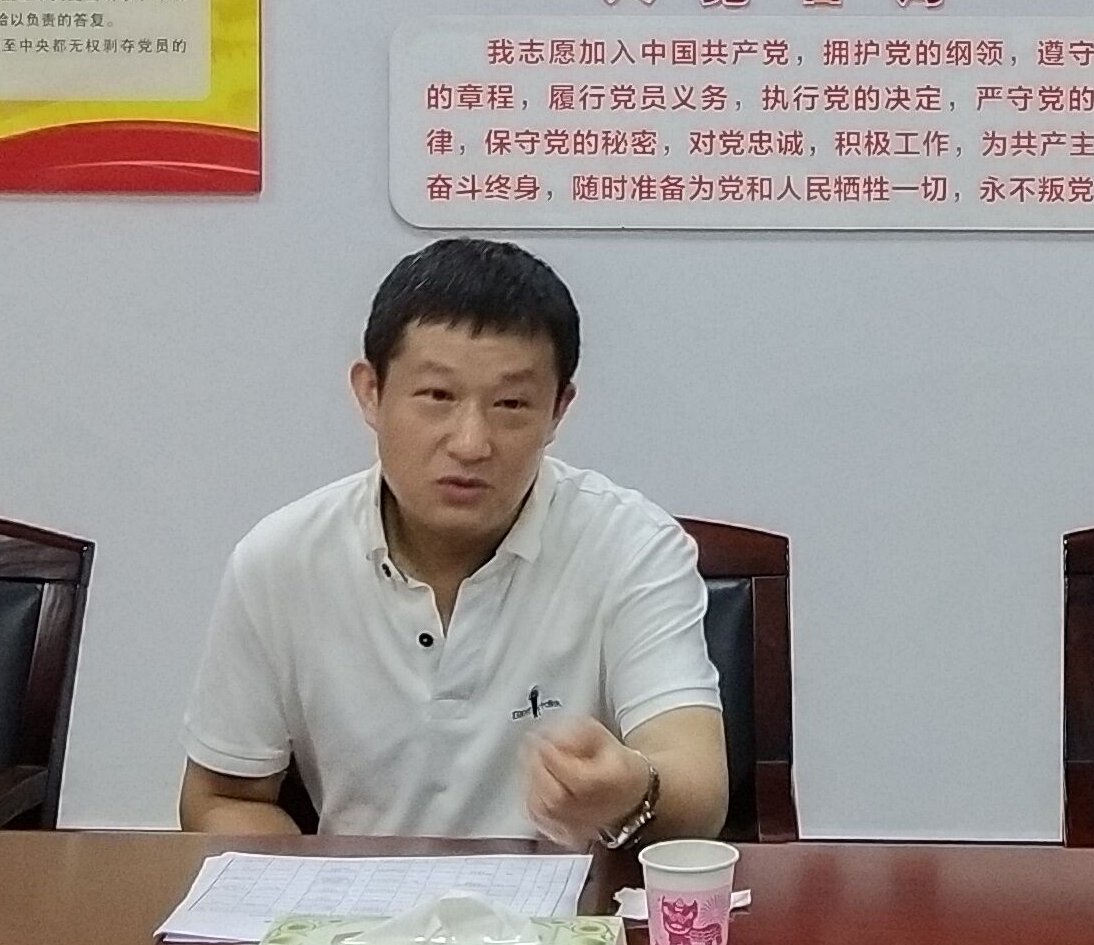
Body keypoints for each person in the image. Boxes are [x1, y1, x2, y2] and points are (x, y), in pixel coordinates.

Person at [179, 239, 726, 850]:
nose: (470, 443)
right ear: (370, 392)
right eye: (438, 397)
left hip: (566, 904)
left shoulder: (632, 547)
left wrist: (632, 789)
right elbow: (221, 797)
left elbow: (699, 789)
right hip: (358, 907)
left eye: (511, 404)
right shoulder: (282, 560)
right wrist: (317, 890)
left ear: (558, 410)